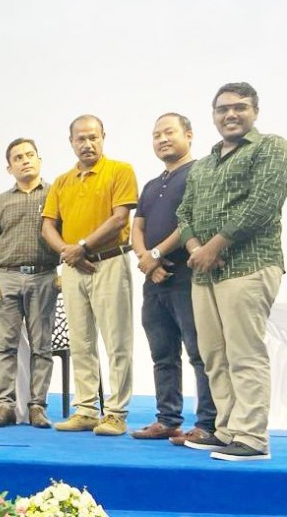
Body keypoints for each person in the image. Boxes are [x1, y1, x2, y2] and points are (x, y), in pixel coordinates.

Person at [177, 82, 287, 461]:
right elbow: (183, 213)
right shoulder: (204, 164)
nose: (231, 114)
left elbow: (262, 204)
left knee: (244, 352)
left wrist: (214, 246)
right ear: (214, 115)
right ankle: (226, 430)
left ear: (254, 111)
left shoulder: (272, 147)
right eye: (223, 109)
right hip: (204, 273)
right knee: (213, 355)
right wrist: (195, 249)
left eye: (240, 107)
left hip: (249, 264)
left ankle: (253, 438)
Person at [42, 115, 138, 436]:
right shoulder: (61, 182)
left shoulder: (119, 171)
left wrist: (79, 247)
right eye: (81, 138)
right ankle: (85, 410)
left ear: (103, 137)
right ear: (71, 142)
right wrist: (69, 252)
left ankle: (115, 413)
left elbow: (119, 218)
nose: (87, 144)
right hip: (73, 268)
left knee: (117, 340)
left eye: (93, 137)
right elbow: (47, 227)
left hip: (109, 262)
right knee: (81, 341)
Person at [130, 114, 216, 444]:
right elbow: (137, 227)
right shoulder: (152, 185)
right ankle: (167, 419)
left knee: (199, 352)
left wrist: (156, 255)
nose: (162, 139)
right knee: (162, 354)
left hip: (187, 276)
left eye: (169, 132)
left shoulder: (199, 173)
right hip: (154, 280)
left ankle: (207, 423)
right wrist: (146, 259)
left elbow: (190, 220)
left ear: (189, 135)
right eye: (156, 134)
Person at [0, 139, 58, 429]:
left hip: (45, 275)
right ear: (9, 167)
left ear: (39, 159)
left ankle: (37, 406)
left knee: (42, 345)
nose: (24, 161)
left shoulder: (56, 194)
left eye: (29, 155)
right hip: (7, 277)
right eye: (17, 158)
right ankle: (5, 406)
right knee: (6, 346)